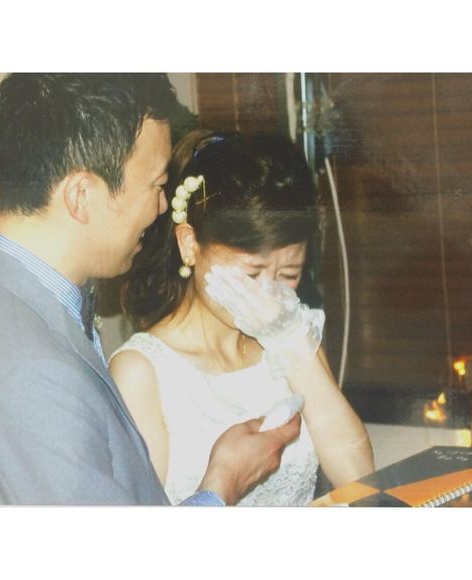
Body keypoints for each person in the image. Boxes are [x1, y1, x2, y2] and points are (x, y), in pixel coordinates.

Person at [0, 74, 301, 505]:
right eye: (156, 185)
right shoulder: (30, 367)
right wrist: (221, 484)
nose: (161, 207)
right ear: (81, 195)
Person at [110, 130, 374, 506]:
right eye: (252, 273)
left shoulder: (291, 334)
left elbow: (360, 478)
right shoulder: (141, 372)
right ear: (190, 245)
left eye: (289, 274)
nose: (269, 293)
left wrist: (289, 340)